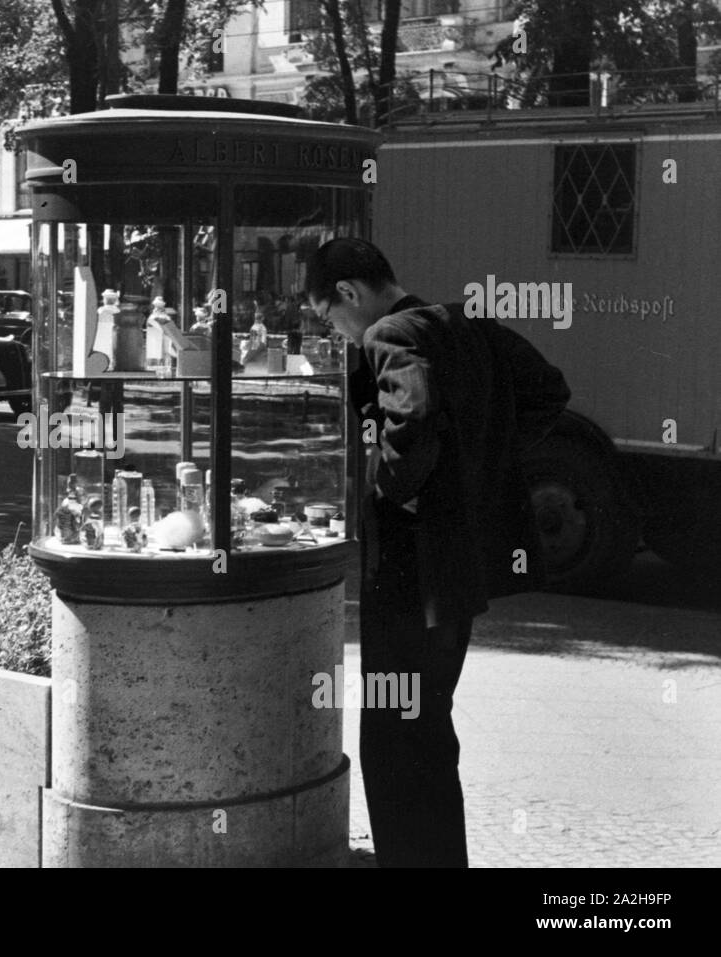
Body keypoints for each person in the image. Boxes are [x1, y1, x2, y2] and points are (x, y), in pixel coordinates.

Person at [304, 238, 570, 867]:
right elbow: (548, 392)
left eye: (328, 317)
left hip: (408, 572)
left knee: (395, 739)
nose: (337, 331)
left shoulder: (388, 335)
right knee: (429, 728)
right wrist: (478, 463)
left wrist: (386, 487)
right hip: (457, 576)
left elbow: (414, 416)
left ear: (348, 293)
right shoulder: (465, 323)